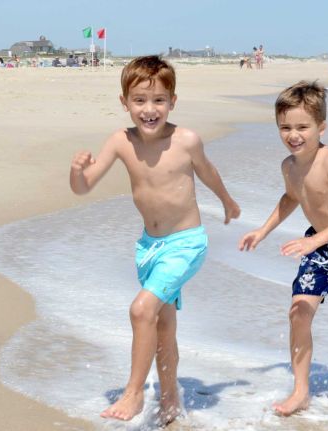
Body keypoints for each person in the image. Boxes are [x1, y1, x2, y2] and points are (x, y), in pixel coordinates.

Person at [69, 55, 241, 424]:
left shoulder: (186, 140)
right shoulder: (121, 141)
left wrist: (227, 201)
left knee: (140, 310)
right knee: (162, 327)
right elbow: (84, 187)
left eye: (159, 100)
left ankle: (133, 393)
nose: (150, 110)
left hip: (186, 244)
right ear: (125, 102)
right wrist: (77, 172)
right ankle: (170, 398)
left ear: (172, 102)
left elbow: (208, 172)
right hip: (149, 248)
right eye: (140, 101)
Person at [239, 80, 328, 416]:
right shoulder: (288, 166)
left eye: (302, 127)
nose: (293, 135)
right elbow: (292, 197)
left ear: (321, 127)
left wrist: (313, 241)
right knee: (298, 311)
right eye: (285, 127)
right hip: (319, 248)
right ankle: (301, 391)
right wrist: (262, 230)